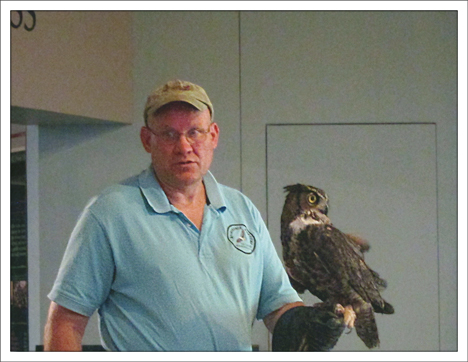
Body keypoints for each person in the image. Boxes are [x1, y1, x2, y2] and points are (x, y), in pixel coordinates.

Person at [44, 79, 345, 351]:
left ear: (213, 135)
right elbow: (65, 322)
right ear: (147, 140)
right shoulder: (110, 213)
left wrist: (306, 323)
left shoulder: (242, 210)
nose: (184, 146)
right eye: (169, 134)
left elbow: (277, 304)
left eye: (194, 132)